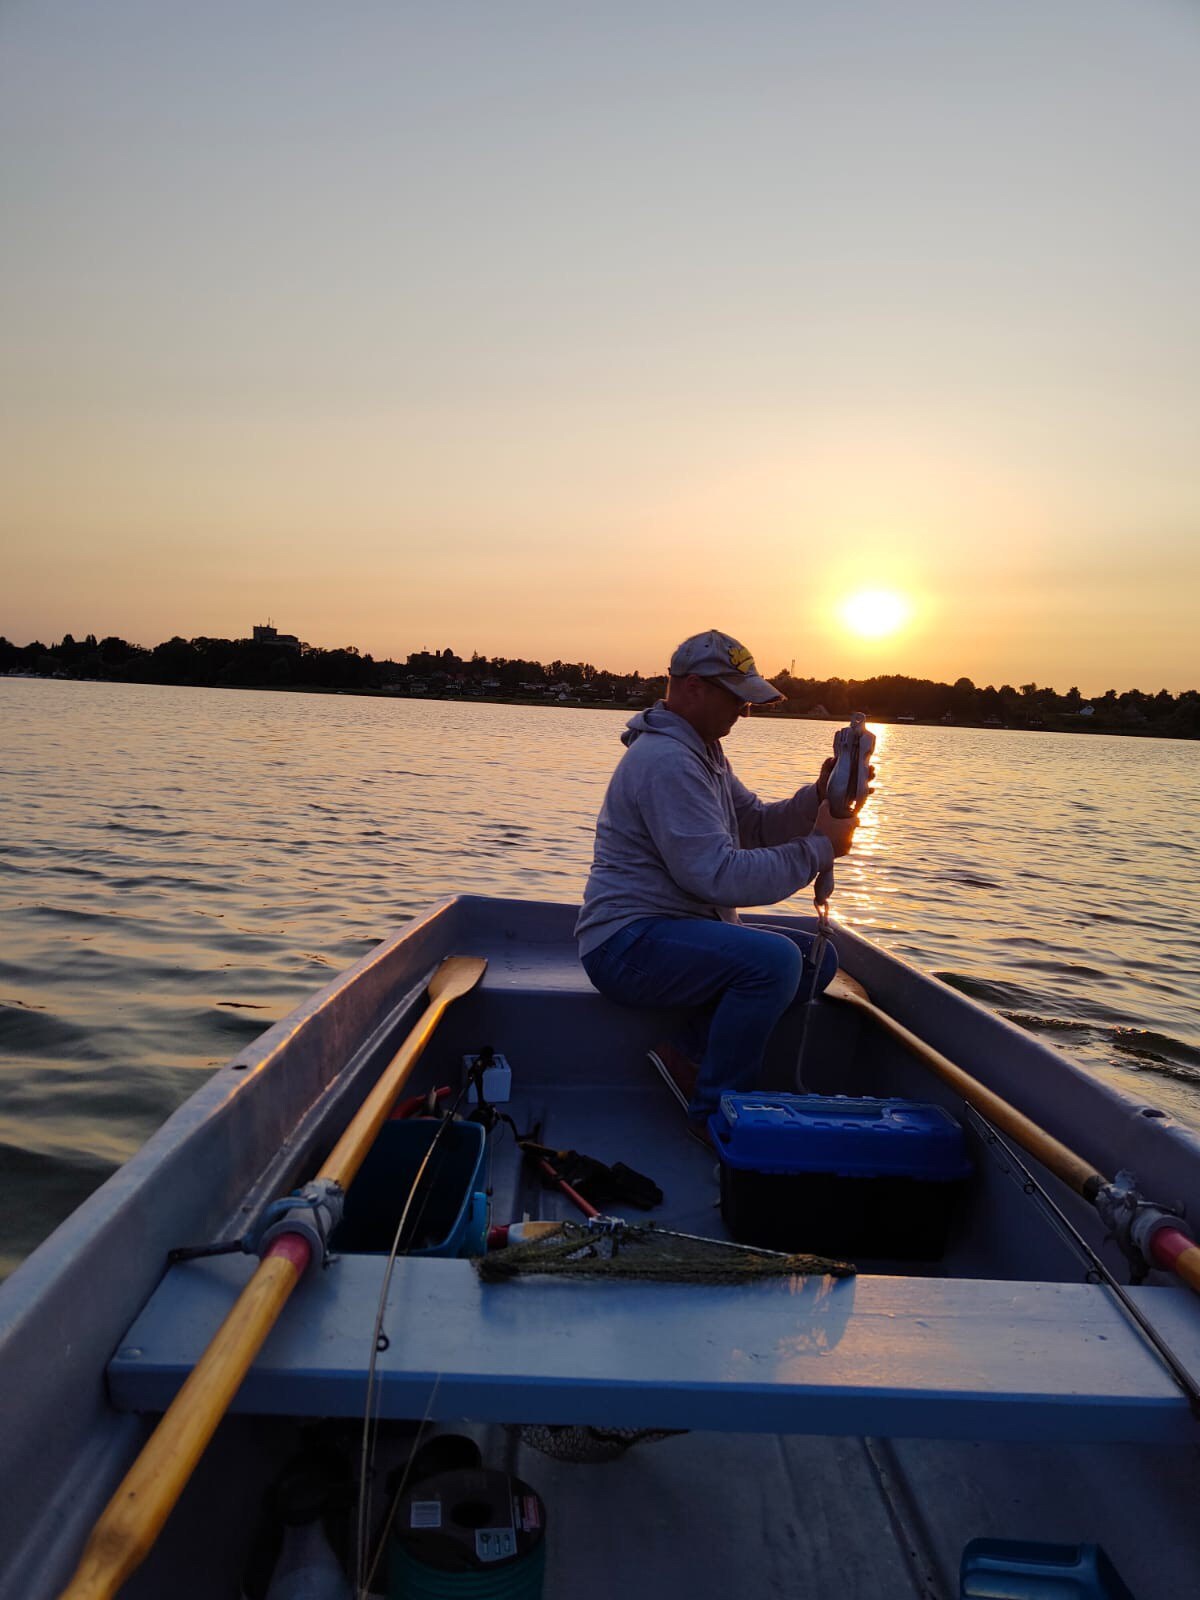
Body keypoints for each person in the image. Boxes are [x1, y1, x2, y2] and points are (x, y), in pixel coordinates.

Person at [575, 629, 858, 1147]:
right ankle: (714, 1116)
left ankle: (688, 1057)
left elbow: (752, 824)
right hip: (625, 945)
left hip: (670, 932)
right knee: (773, 962)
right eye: (736, 699)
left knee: (819, 961)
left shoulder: (703, 753)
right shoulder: (667, 761)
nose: (744, 714)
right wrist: (820, 848)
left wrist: (817, 795)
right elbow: (715, 875)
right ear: (691, 688)